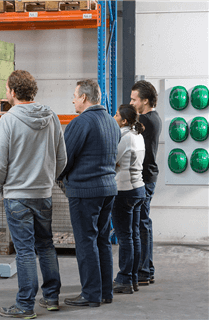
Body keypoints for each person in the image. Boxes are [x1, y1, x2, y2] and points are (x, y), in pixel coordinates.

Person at [0, 70, 67, 318]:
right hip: (43, 193)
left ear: (13, 92)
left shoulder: (8, 120)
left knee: (24, 250)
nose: (6, 93)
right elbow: (61, 157)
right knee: (46, 245)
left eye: (6, 89)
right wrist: (47, 179)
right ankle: (52, 298)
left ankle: (25, 305)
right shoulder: (52, 117)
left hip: (17, 195)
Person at [58, 79, 120, 307]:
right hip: (108, 189)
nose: (73, 99)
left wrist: (61, 178)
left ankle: (90, 294)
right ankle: (105, 292)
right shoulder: (112, 122)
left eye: (75, 95)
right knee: (102, 241)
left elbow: (63, 159)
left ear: (84, 97)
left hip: (85, 191)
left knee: (85, 242)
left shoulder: (80, 122)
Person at [112, 104, 146, 294]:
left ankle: (124, 279)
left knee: (125, 237)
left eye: (117, 115)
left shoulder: (124, 138)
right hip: (138, 189)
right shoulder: (138, 136)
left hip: (124, 191)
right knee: (133, 235)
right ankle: (132, 278)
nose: (114, 117)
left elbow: (113, 162)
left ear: (124, 120)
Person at [130, 81, 161, 286]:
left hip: (144, 178)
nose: (131, 103)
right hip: (148, 176)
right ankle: (146, 269)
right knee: (144, 224)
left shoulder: (146, 121)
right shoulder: (153, 118)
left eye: (134, 99)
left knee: (142, 225)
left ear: (145, 100)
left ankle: (143, 270)